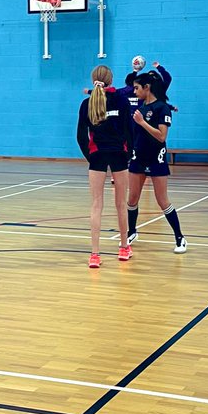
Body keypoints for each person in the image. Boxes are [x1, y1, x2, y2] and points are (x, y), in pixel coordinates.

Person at [77, 65, 132, 268]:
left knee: (96, 205)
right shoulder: (121, 100)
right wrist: (127, 155)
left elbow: (81, 136)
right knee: (120, 203)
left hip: (97, 155)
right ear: (111, 79)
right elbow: (129, 131)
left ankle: (95, 254)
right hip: (118, 154)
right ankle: (124, 247)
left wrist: (90, 157)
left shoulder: (86, 103)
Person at [127, 70, 187, 253]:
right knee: (132, 199)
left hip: (156, 159)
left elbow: (161, 136)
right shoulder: (139, 107)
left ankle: (180, 238)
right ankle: (131, 231)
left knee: (162, 201)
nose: (134, 91)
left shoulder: (162, 108)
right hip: (138, 157)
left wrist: (142, 122)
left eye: (137, 88)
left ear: (147, 87)